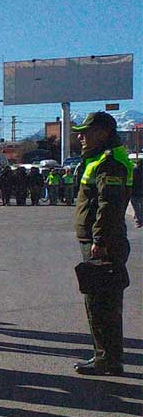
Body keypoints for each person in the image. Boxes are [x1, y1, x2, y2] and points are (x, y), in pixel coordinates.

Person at [71, 111, 132, 376]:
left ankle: (106, 359)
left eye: (86, 131)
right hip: (101, 240)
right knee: (100, 301)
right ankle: (107, 356)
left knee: (101, 304)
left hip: (104, 242)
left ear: (103, 132)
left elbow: (109, 205)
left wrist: (100, 239)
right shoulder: (99, 159)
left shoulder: (109, 163)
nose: (81, 137)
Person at [130, 160, 143, 228]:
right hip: (140, 191)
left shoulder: (134, 170)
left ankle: (139, 220)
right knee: (140, 207)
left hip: (134, 191)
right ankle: (138, 218)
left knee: (136, 207)